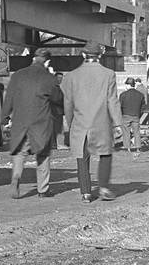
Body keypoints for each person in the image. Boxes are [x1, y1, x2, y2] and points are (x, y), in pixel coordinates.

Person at [62, 41, 123, 203]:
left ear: (83, 55)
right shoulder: (108, 74)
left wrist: (70, 122)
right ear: (100, 55)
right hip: (101, 122)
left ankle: (86, 193)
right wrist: (118, 123)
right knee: (106, 153)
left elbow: (68, 104)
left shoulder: (71, 76)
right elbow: (112, 101)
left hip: (80, 122)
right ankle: (103, 187)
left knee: (82, 158)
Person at [1, 49, 64, 199]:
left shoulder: (18, 75)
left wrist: (4, 118)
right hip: (41, 124)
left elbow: (8, 98)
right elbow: (58, 99)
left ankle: (16, 177)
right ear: (47, 62)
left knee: (19, 153)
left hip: (20, 122)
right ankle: (42, 190)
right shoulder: (49, 78)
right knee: (43, 155)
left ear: (33, 59)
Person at [118, 77, 147, 155]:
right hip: (136, 116)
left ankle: (127, 148)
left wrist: (121, 114)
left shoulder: (123, 95)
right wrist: (139, 114)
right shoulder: (140, 95)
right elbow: (143, 106)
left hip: (126, 115)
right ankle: (138, 147)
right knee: (137, 132)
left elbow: (119, 106)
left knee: (126, 132)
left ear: (128, 85)